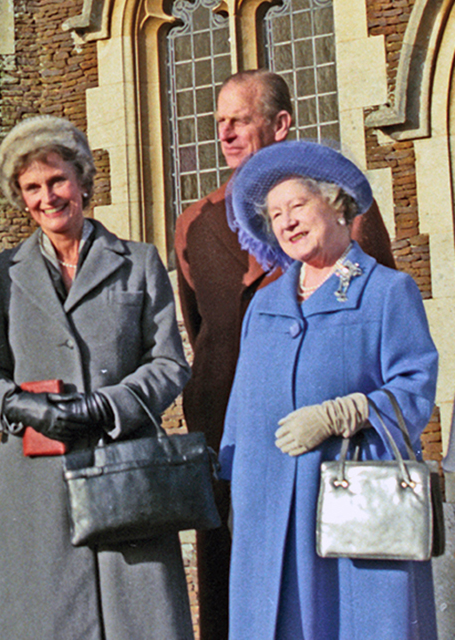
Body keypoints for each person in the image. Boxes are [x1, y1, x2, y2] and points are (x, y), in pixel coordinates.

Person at [173, 69, 396, 639]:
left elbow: (383, 314)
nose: (225, 134)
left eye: (240, 120)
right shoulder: (192, 227)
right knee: (236, 597)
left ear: (280, 125)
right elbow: (203, 330)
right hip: (234, 441)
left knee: (327, 595)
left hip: (329, 443)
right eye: (219, 122)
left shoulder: (343, 210)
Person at [0, 115, 193, 639]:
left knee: (140, 621)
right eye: (32, 187)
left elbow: (169, 363)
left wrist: (109, 405)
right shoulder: (2, 275)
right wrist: (13, 406)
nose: (47, 197)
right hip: (38, 483)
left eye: (57, 181)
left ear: (82, 181)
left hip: (124, 471)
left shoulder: (139, 263)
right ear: (19, 197)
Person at [221, 140, 438, 638]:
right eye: (276, 214)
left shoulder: (387, 291)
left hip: (351, 506)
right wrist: (238, 484)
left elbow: (415, 388)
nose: (287, 222)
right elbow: (241, 404)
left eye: (298, 206)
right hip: (268, 505)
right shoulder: (265, 303)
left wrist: (349, 411)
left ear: (336, 205)